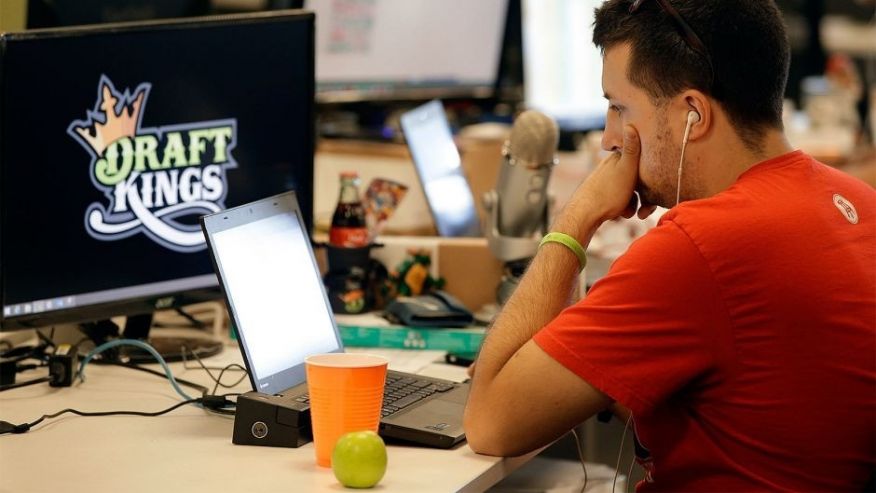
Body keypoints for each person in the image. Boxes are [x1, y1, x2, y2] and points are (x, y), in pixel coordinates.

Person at [463, 0, 876, 491]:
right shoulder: (858, 201)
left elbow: (489, 423)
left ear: (693, 114)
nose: (609, 140)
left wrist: (577, 218)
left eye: (619, 108)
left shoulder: (698, 248)